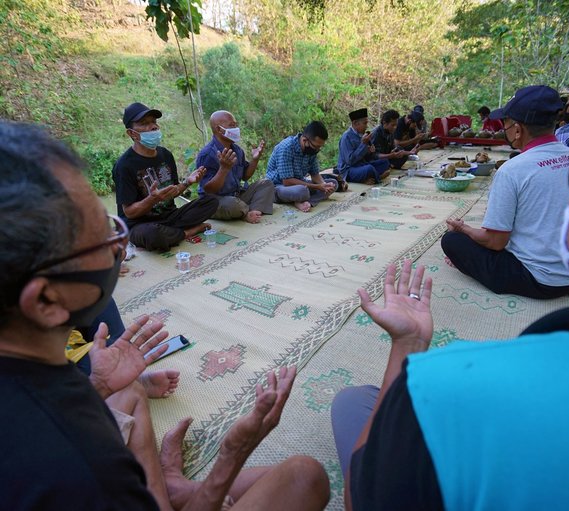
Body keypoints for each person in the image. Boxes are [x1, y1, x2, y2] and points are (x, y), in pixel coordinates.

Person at [332, 69, 569, 511]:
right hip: (559, 280)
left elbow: (367, 497)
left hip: (532, 276)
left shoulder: (444, 386)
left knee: (352, 403)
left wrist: (408, 347)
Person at [0, 121, 331, 510]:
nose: (119, 249)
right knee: (305, 477)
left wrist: (100, 387)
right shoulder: (84, 474)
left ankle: (167, 485)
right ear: (44, 301)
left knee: (129, 390)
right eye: (101, 239)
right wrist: (231, 453)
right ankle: (175, 494)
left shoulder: (33, 377)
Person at [441, 85, 569, 299]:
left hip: (541, 280)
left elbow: (496, 242)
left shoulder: (513, 170)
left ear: (517, 129)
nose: (503, 128)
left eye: (504, 123)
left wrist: (464, 230)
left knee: (451, 241)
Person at [113, 102, 218, 251]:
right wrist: (152, 199)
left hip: (169, 217)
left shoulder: (165, 155)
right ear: (131, 133)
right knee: (153, 234)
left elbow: (173, 191)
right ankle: (187, 232)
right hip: (139, 225)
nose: (153, 127)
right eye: (144, 124)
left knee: (211, 201)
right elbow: (129, 212)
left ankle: (172, 233)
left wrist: (187, 182)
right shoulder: (124, 165)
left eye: (153, 122)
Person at [196, 110, 275, 224]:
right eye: (232, 126)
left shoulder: (237, 150)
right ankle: (246, 212)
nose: (236, 129)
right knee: (232, 204)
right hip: (216, 201)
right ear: (219, 129)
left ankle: (249, 211)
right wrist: (223, 169)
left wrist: (255, 159)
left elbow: (245, 176)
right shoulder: (207, 154)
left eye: (236, 125)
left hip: (236, 195)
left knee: (266, 184)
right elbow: (208, 189)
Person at [265, 121, 338, 212]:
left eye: (320, 147)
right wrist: (317, 187)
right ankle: (299, 199)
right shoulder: (286, 147)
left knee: (333, 183)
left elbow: (315, 174)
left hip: (300, 184)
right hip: (278, 186)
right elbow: (287, 181)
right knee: (302, 191)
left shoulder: (311, 150)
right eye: (316, 147)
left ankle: (306, 202)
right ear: (304, 140)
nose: (318, 150)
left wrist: (324, 185)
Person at [336, 108, 391, 185]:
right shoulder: (346, 137)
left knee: (385, 162)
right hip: (349, 170)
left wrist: (370, 151)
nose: (366, 126)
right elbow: (350, 161)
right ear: (355, 123)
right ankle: (378, 177)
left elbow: (367, 158)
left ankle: (369, 177)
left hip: (361, 165)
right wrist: (363, 144)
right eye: (365, 123)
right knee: (369, 168)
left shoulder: (362, 134)